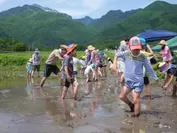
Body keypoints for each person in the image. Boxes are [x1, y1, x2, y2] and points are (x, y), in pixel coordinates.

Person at [113, 36, 158, 117]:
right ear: (129, 47)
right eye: (134, 49)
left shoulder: (142, 56)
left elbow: (149, 68)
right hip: (129, 81)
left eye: (138, 49)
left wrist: (155, 77)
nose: (136, 51)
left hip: (138, 82)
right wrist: (114, 64)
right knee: (121, 96)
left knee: (136, 99)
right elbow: (117, 54)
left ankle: (137, 116)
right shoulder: (126, 54)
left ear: (140, 47)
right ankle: (131, 105)